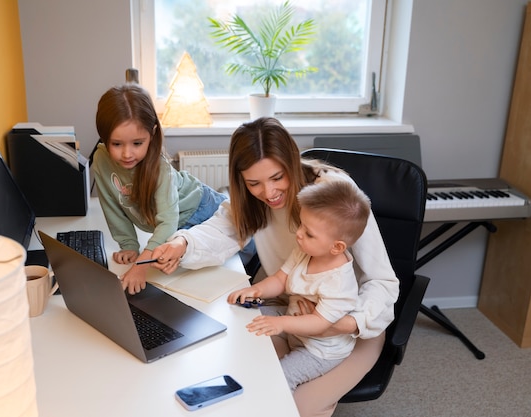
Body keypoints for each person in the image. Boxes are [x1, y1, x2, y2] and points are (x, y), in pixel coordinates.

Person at [150, 117, 399, 417]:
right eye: (254, 183)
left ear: (292, 162)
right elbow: (218, 232)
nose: (268, 193)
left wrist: (340, 323)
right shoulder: (252, 201)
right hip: (289, 314)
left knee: (288, 406)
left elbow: (383, 282)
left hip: (348, 333)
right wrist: (181, 245)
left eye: (277, 177)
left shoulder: (333, 193)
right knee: (240, 376)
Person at [228, 180, 371, 392]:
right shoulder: (305, 251)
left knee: (280, 379)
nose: (299, 233)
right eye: (302, 224)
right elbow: (280, 279)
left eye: (309, 233)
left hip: (319, 349)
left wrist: (282, 324)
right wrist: (256, 290)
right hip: (293, 320)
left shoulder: (339, 283)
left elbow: (320, 324)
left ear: (337, 247)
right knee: (245, 318)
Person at [91, 83, 227, 294]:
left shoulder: (160, 168)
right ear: (103, 136)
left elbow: (168, 221)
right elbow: (112, 207)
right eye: (117, 144)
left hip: (202, 210)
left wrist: (140, 266)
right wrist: (129, 245)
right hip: (177, 229)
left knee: (241, 257)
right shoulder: (101, 160)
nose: (127, 154)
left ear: (152, 134)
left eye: (137, 143)